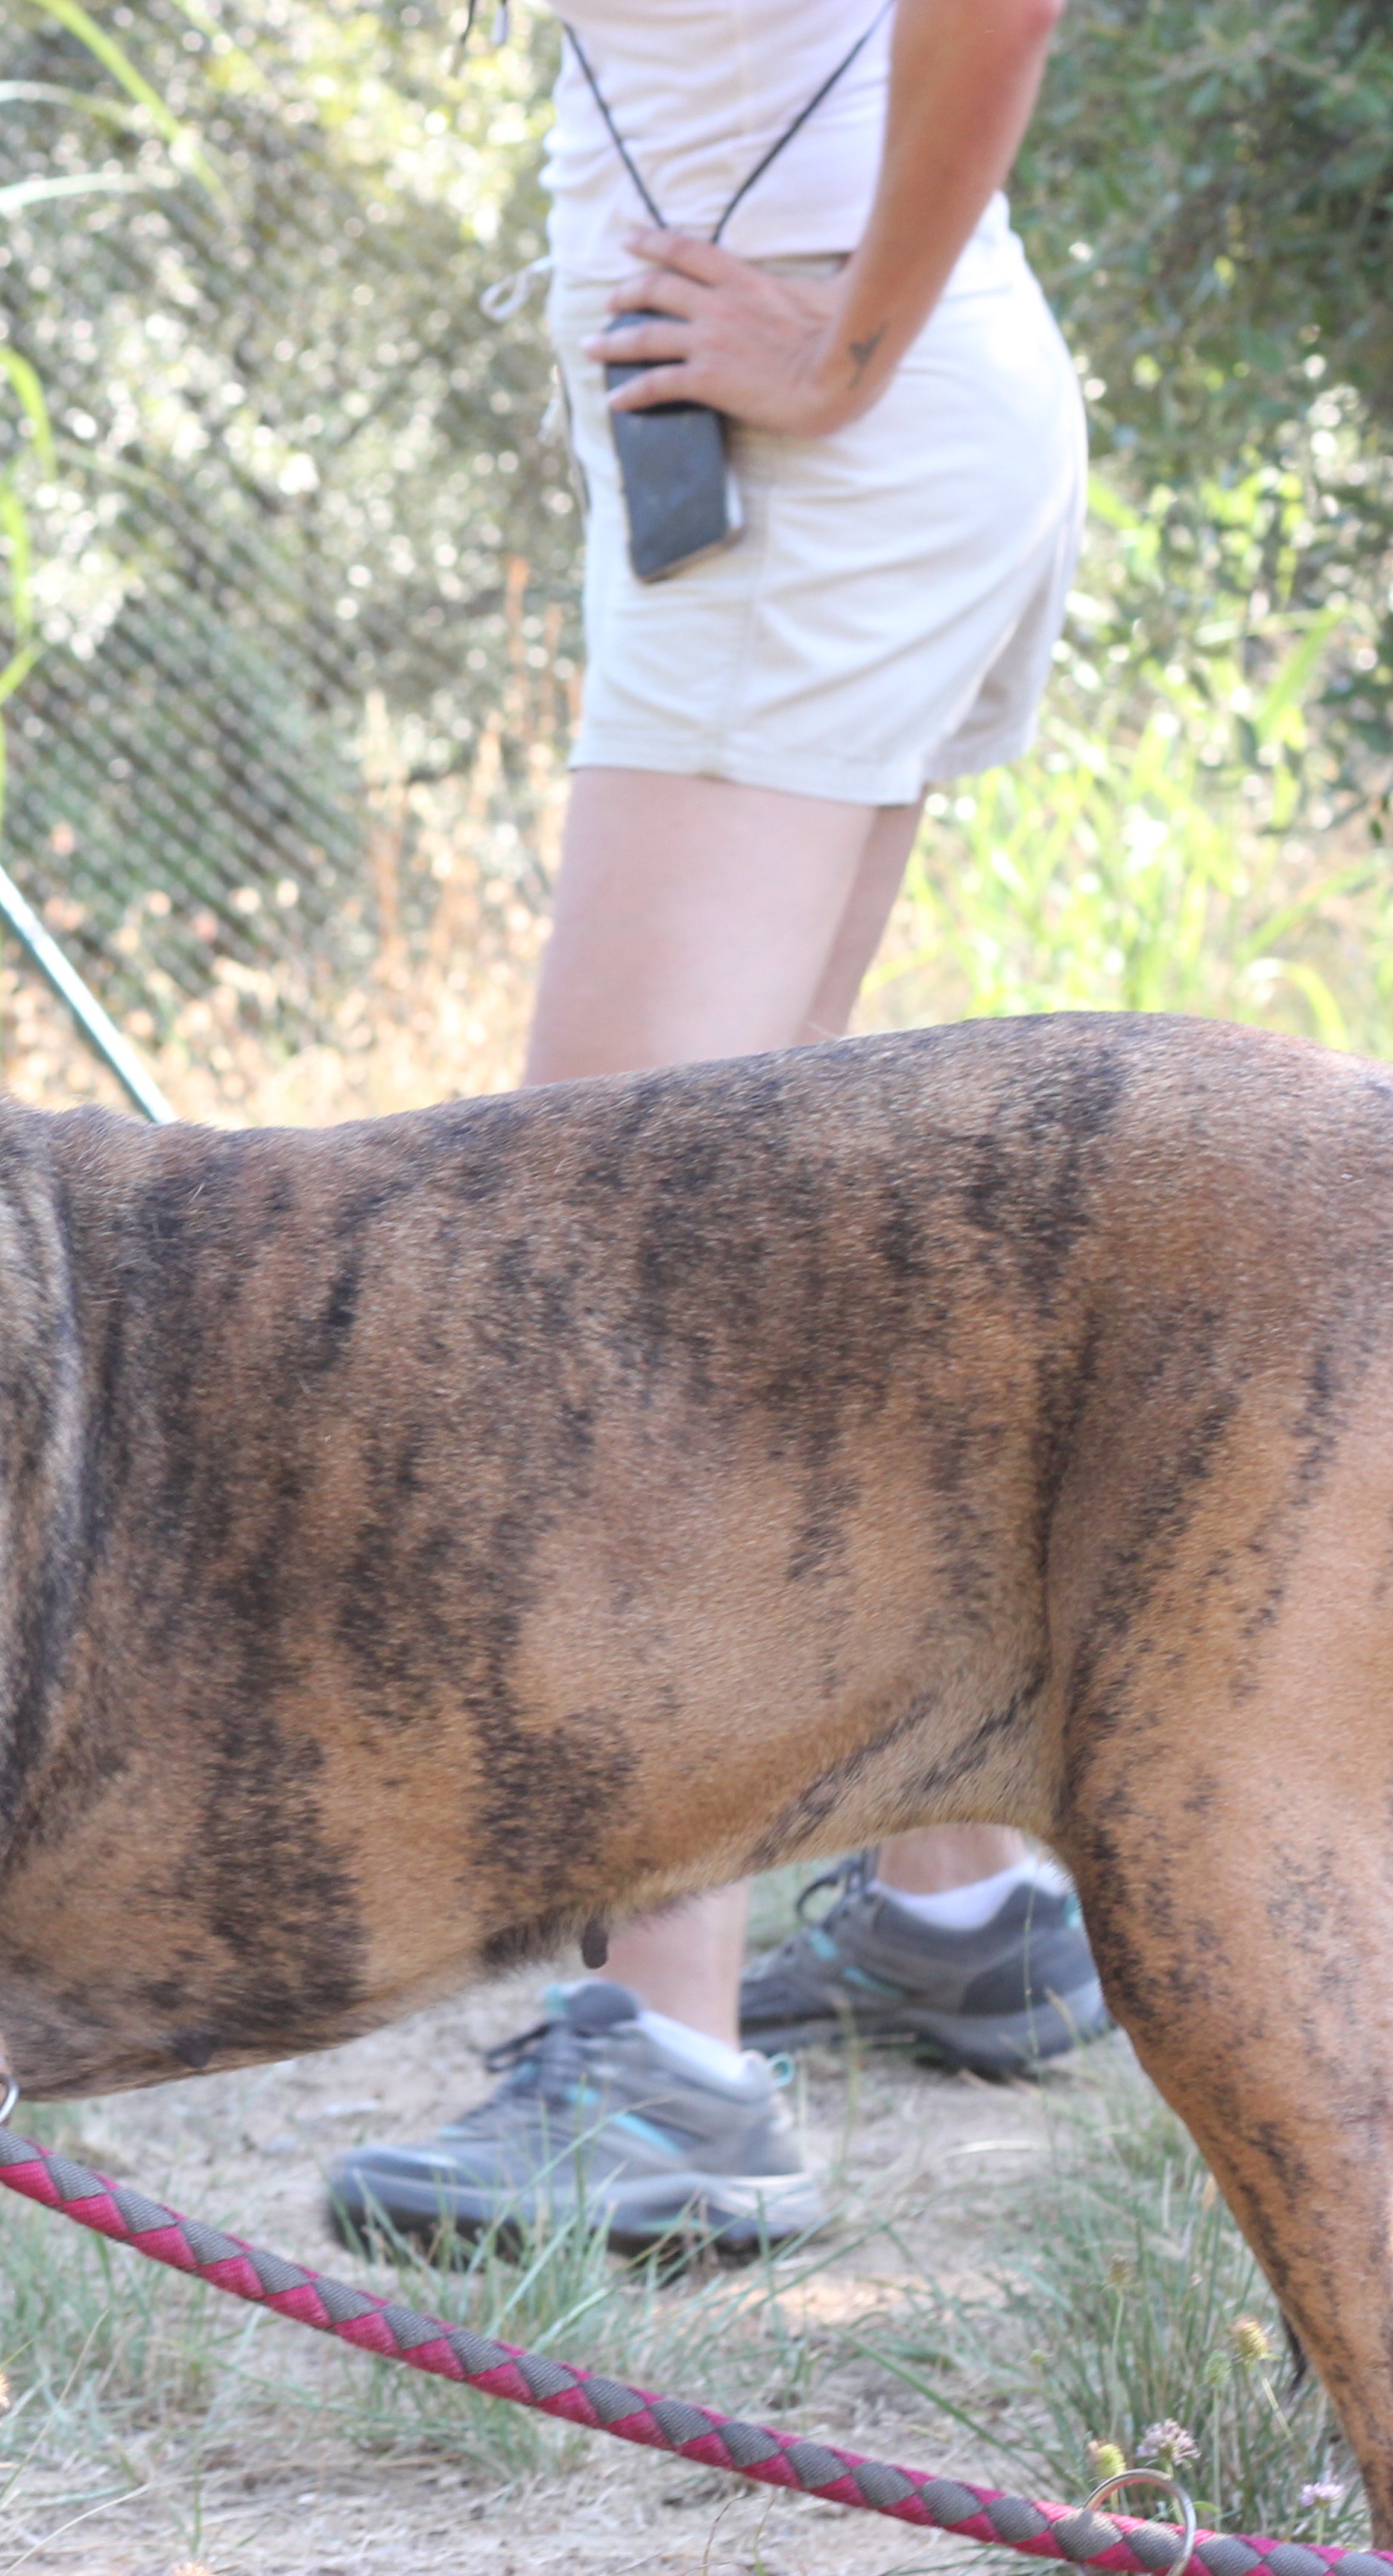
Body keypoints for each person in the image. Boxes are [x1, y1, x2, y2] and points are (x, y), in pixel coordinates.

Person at [325, 0, 1108, 2255]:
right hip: (807, 462)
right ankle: (959, 1887)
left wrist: (854, 349)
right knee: (775, 1250)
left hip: (819, 458)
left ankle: (666, 2065)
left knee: (593, 1275)